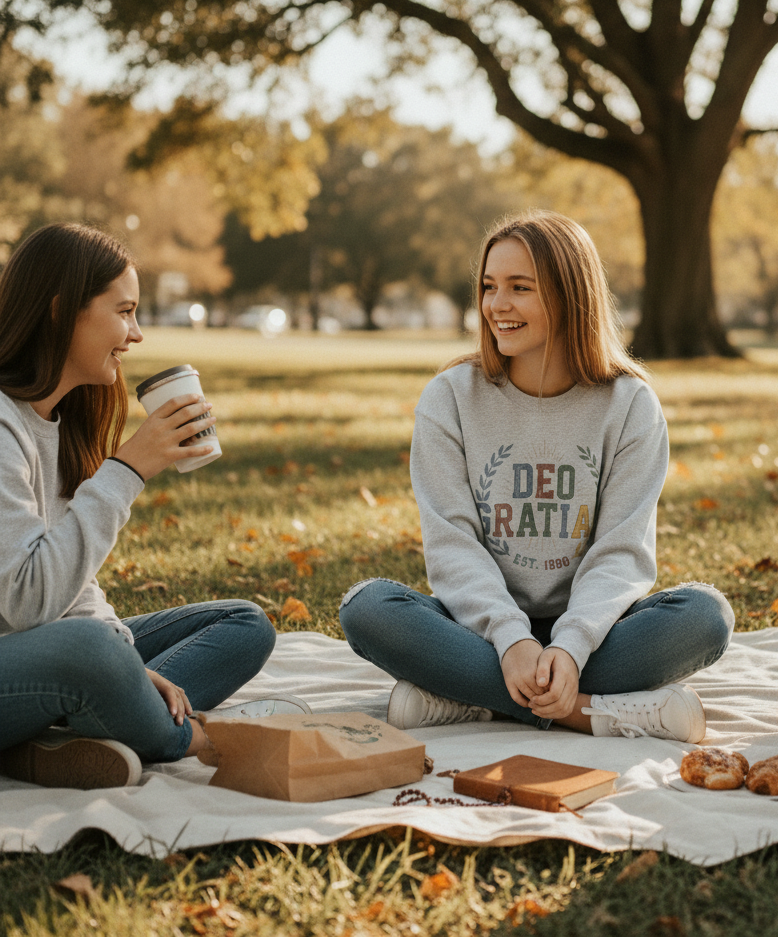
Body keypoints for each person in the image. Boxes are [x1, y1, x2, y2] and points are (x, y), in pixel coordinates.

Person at [340, 210, 733, 740]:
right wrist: (511, 639)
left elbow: (621, 551)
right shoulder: (451, 397)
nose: (496, 305)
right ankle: (588, 712)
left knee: (706, 617)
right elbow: (452, 544)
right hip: (479, 629)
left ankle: (475, 699)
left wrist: (569, 646)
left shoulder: (630, 405)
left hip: (597, 632)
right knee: (368, 609)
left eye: (519, 288)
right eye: (489, 286)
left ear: (571, 295)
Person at [0, 223, 277, 790]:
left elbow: (73, 585)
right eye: (124, 312)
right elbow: (28, 600)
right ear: (59, 311)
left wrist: (128, 662)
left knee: (243, 624)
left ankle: (70, 732)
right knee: (91, 651)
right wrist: (126, 472)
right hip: (24, 655)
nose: (137, 334)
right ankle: (181, 738)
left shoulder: (58, 420)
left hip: (51, 652)